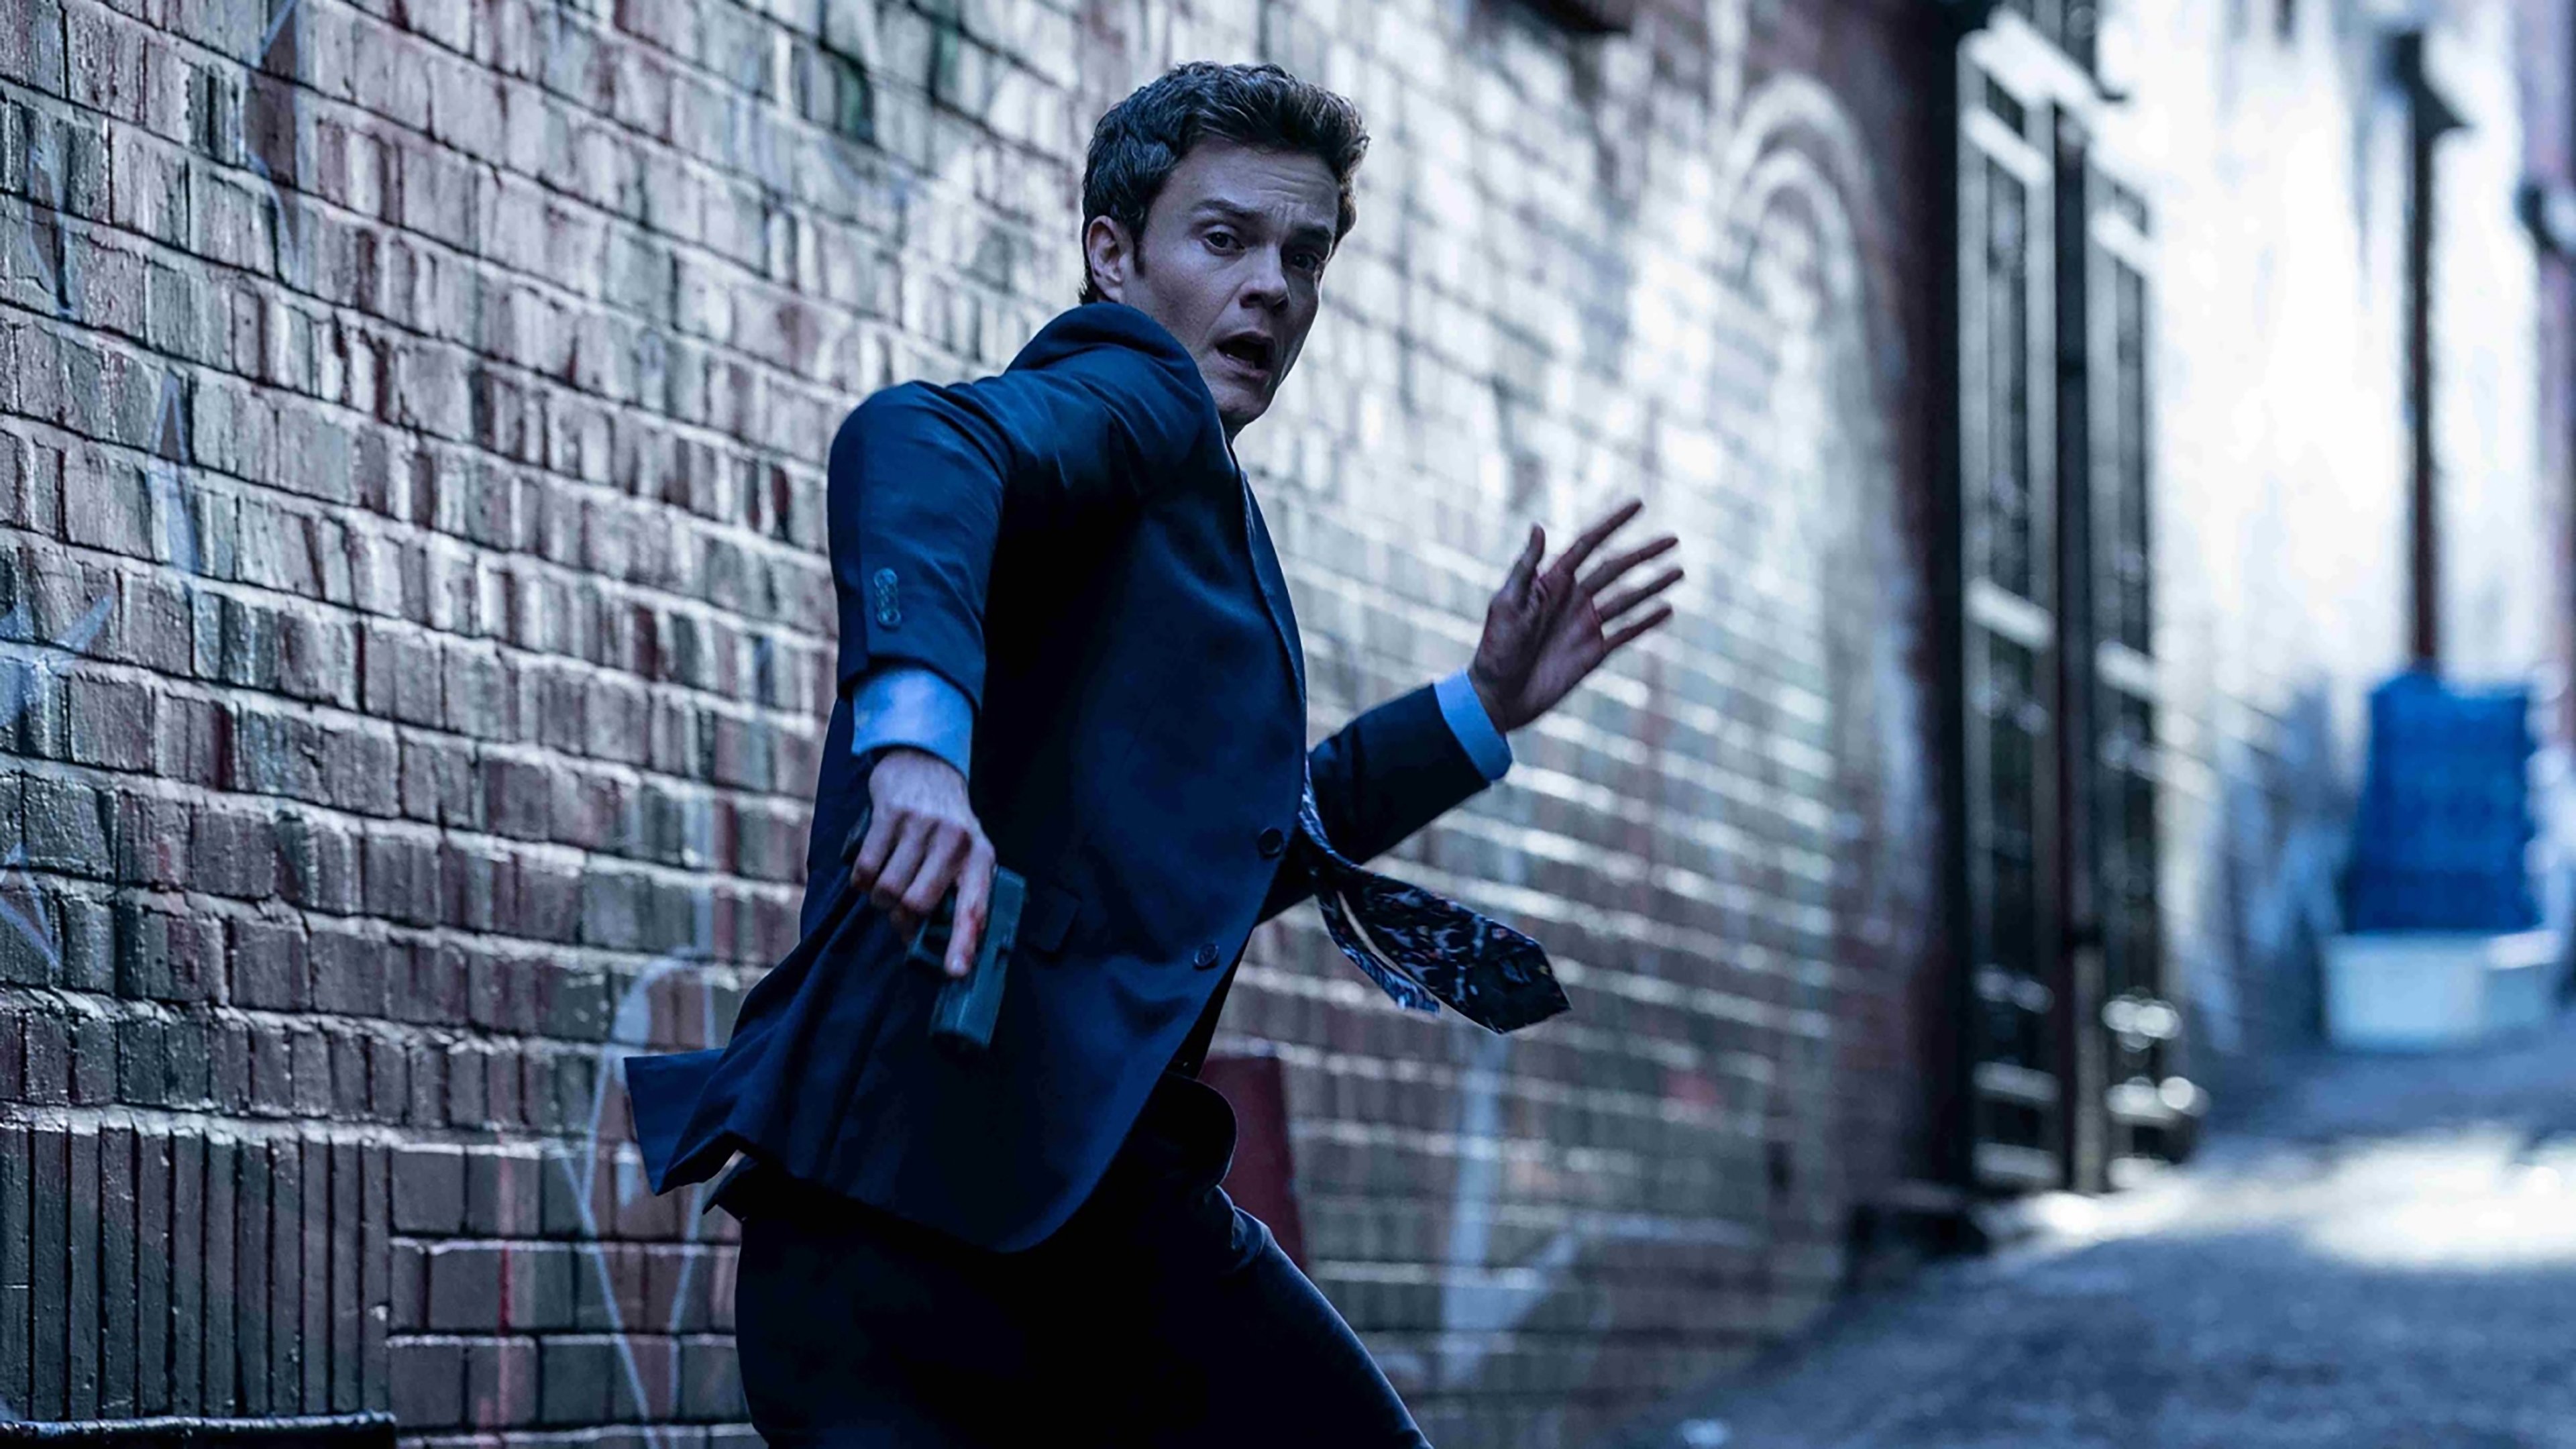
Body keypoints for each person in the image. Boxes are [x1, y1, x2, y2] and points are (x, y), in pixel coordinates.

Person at [626, 61, 1682, 1446]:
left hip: (1079, 1217)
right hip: (909, 1237)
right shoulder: (1136, 397)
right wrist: (915, 748)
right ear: (1113, 256)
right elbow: (918, 437)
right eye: (1224, 239)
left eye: (1305, 256)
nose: (1272, 289)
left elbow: (1242, 843)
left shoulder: (1184, 510)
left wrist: (1477, 708)